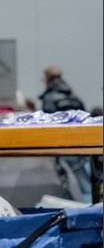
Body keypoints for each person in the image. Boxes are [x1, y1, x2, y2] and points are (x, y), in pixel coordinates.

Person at [38, 65, 91, 201]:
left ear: (47, 79)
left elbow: (46, 125)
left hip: (59, 148)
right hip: (79, 148)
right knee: (84, 186)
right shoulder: (75, 98)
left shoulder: (49, 98)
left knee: (64, 189)